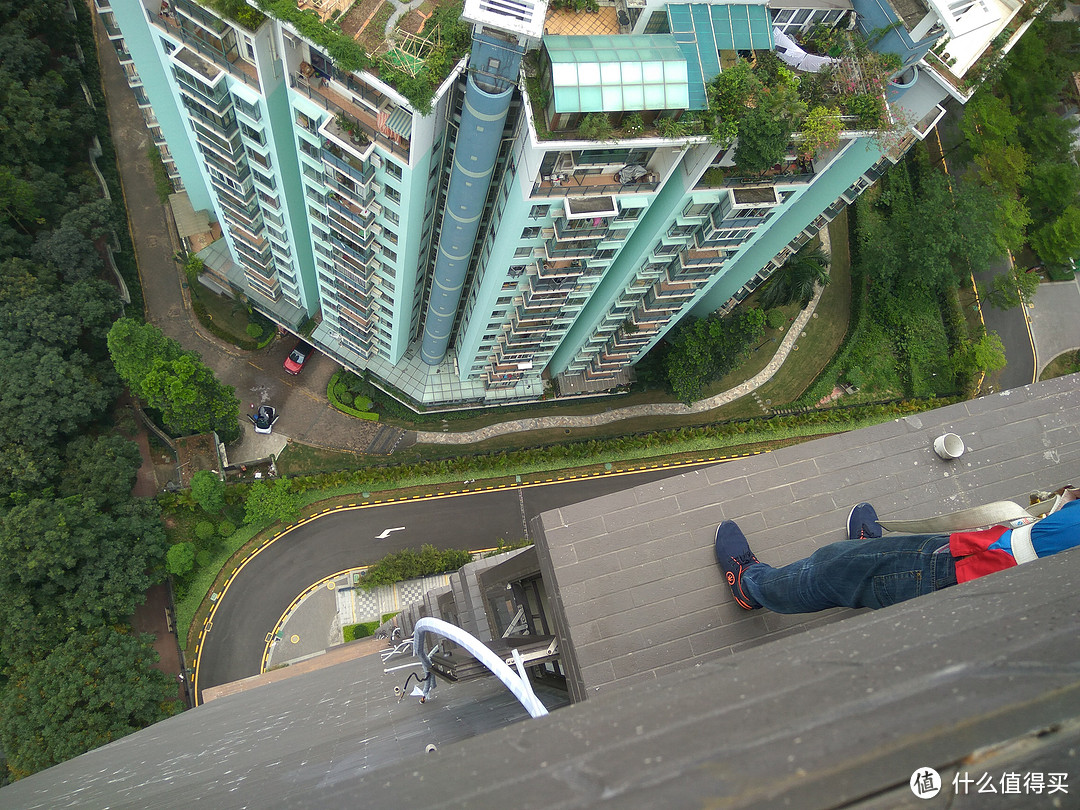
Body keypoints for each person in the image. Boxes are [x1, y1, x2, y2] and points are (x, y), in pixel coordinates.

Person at [715, 495, 1080, 614]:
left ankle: (752, 585)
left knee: (831, 571)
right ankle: (864, 554)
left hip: (973, 571)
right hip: (986, 554)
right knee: (869, 568)